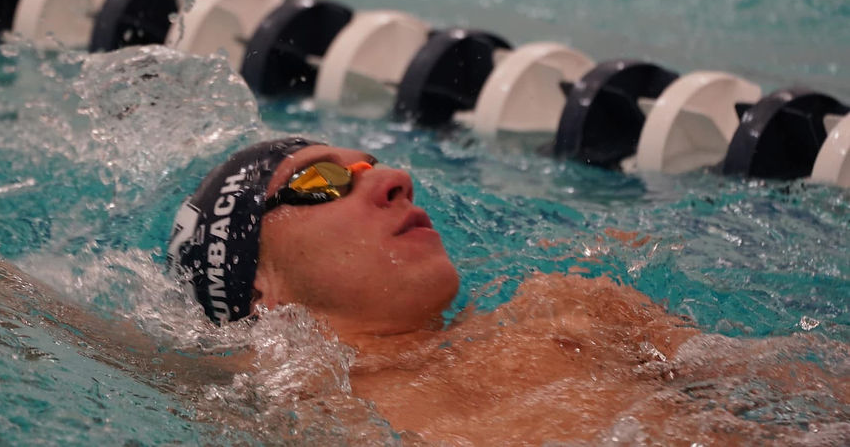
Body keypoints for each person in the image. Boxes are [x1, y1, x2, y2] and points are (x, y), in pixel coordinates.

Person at [167, 137, 850, 445]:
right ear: (261, 287)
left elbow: (800, 378)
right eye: (322, 183)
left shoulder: (576, 308)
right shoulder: (289, 408)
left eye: (372, 163)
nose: (395, 177)